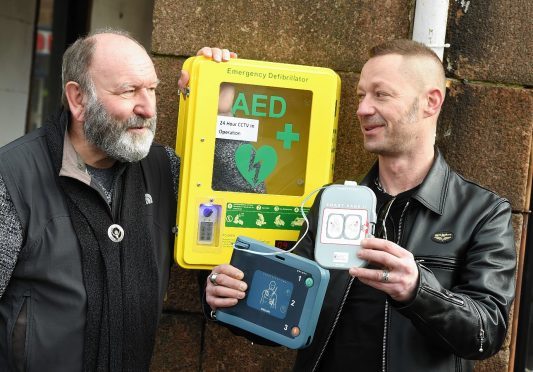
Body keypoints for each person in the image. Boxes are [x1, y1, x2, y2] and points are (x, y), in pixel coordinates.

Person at [204, 39, 516, 371]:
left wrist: (417, 290)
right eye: (360, 95)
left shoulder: (482, 212)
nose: (362, 109)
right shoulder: (330, 202)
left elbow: (487, 333)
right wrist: (231, 297)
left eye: (381, 94)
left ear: (430, 101)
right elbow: (289, 315)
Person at [0, 29, 233, 371]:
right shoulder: (11, 176)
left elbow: (235, 188)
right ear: (78, 99)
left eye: (152, 89)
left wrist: (220, 95)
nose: (149, 108)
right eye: (129, 91)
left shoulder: (166, 170)